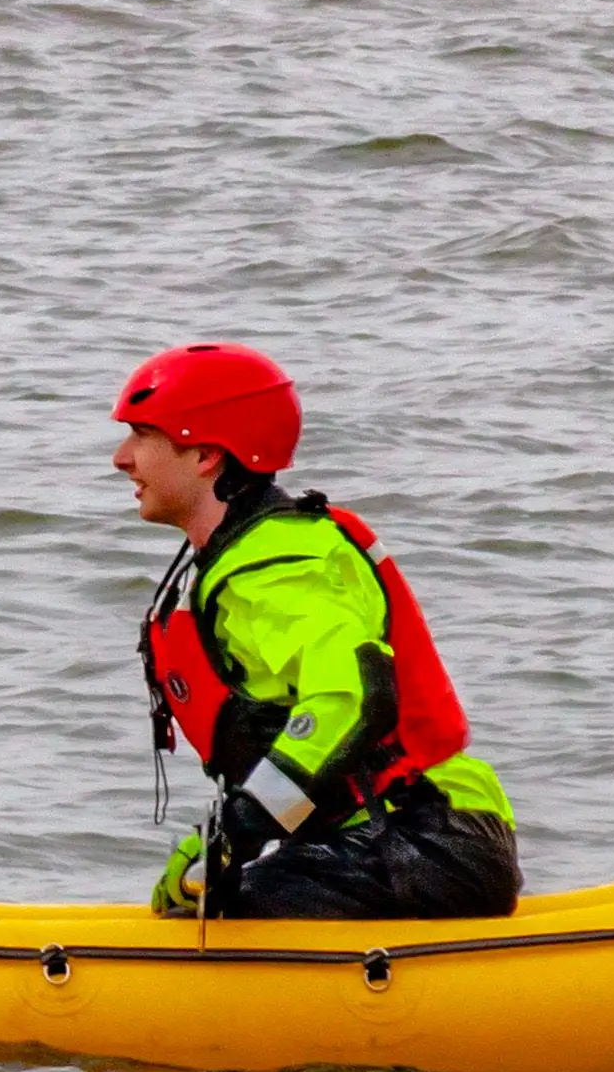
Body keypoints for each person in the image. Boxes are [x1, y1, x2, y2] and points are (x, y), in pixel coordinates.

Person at [113, 344, 520, 921]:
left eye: (141, 436)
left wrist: (238, 830)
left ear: (206, 454)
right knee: (200, 908)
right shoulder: (253, 555)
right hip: (394, 835)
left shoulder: (281, 566)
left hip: (421, 841)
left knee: (222, 924)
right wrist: (220, 838)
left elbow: (348, 699)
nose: (121, 458)